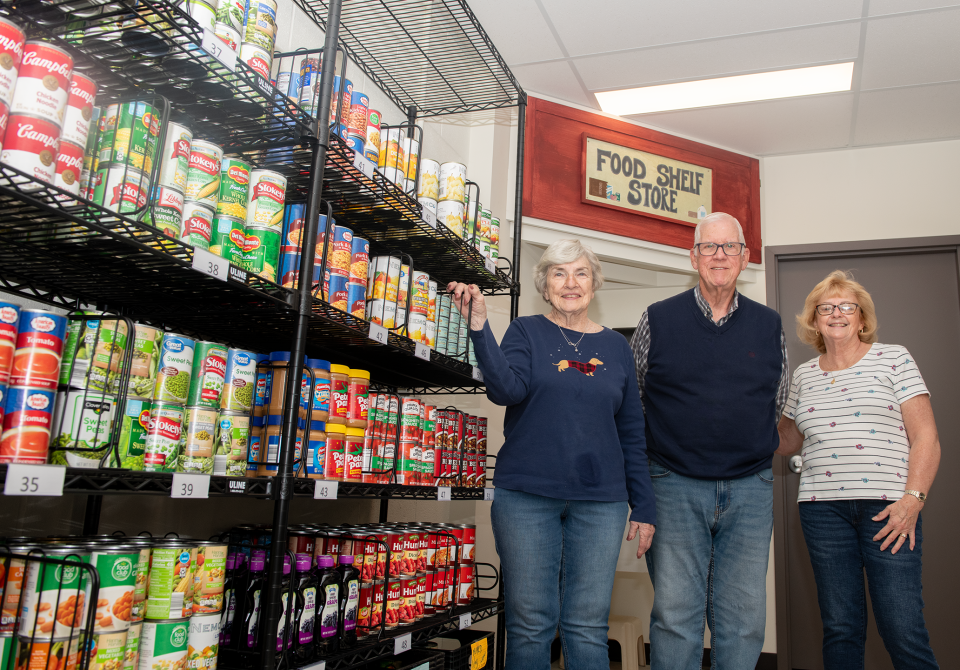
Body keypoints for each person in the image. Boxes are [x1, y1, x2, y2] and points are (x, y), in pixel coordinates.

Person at [447, 238, 656, 670]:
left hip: (601, 502)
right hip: (526, 496)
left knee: (586, 624)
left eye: (581, 273)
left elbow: (632, 431)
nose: (571, 283)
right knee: (529, 623)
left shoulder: (617, 347)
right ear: (545, 285)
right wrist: (480, 327)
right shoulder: (526, 331)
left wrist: (645, 505)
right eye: (559, 273)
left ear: (594, 284)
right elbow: (506, 389)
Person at [629, 212, 788, 669]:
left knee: (743, 619)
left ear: (745, 257)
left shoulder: (768, 323)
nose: (720, 256)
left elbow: (776, 402)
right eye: (709, 247)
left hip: (750, 489)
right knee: (676, 616)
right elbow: (636, 401)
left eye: (729, 247)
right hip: (672, 484)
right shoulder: (657, 319)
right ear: (693, 256)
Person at [777, 270, 940, 670]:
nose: (836, 313)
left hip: (889, 510)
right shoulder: (803, 375)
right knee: (840, 626)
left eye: (847, 306)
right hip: (821, 510)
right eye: (826, 307)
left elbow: (927, 438)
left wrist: (913, 499)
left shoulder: (894, 358)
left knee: (902, 628)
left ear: (862, 318)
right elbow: (785, 443)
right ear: (814, 320)